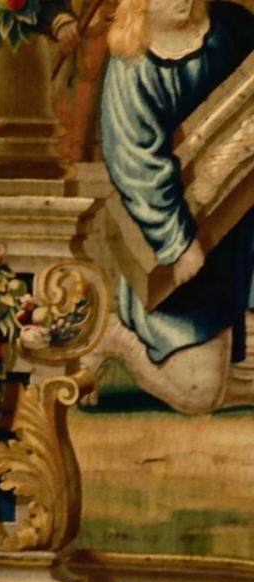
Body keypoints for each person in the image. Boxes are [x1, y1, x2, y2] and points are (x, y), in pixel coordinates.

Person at [91, 0, 254, 413]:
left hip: (242, 225)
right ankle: (117, 336)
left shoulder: (231, 27)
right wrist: (177, 242)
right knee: (196, 393)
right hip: (183, 240)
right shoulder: (135, 64)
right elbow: (135, 164)